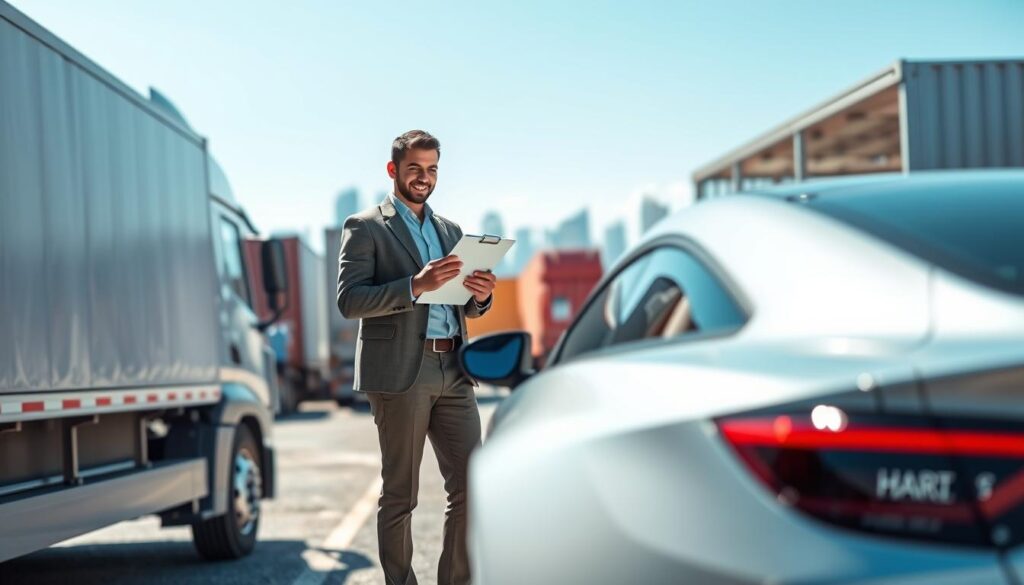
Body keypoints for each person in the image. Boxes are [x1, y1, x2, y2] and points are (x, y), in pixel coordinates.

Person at [336, 130, 496, 585]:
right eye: (414, 169)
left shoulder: (450, 232)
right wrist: (414, 285)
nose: (424, 178)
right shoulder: (365, 227)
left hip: (455, 371)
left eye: (432, 170)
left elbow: (461, 303)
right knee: (401, 494)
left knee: (472, 487)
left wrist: (479, 297)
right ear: (393, 171)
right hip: (401, 373)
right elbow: (350, 301)